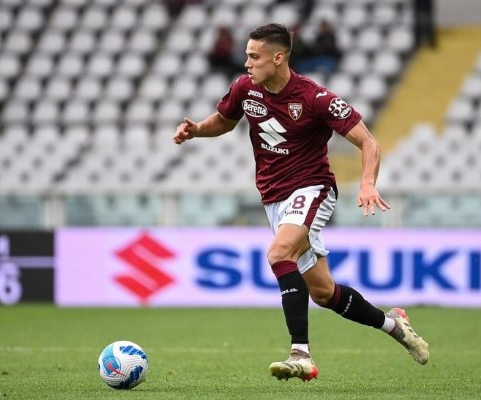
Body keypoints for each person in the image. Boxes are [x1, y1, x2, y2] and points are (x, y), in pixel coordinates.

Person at [173, 23, 429, 382]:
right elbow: (225, 121)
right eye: (247, 56)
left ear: (278, 58)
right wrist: (197, 130)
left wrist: (367, 183)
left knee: (279, 254)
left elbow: (369, 142)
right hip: (273, 197)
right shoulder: (245, 88)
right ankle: (394, 325)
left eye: (254, 57)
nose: (247, 63)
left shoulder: (315, 98)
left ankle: (301, 354)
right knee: (324, 293)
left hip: (312, 189)